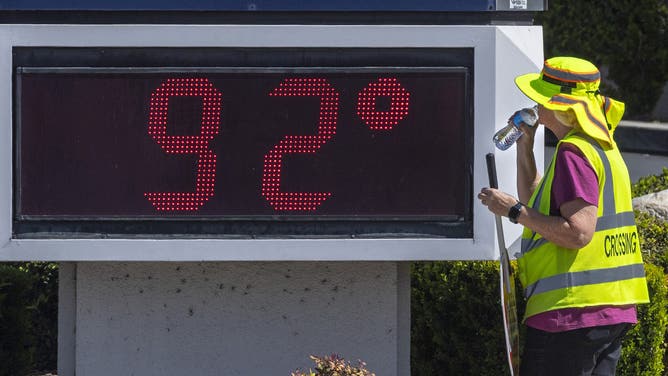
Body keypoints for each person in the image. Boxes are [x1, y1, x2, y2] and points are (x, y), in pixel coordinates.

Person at [477, 57, 649, 376]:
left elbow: (577, 232)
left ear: (562, 106)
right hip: (611, 309)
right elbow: (539, 205)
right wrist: (525, 149)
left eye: (542, 96)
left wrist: (512, 210)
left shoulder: (573, 153)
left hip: (571, 315)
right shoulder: (600, 148)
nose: (535, 104)